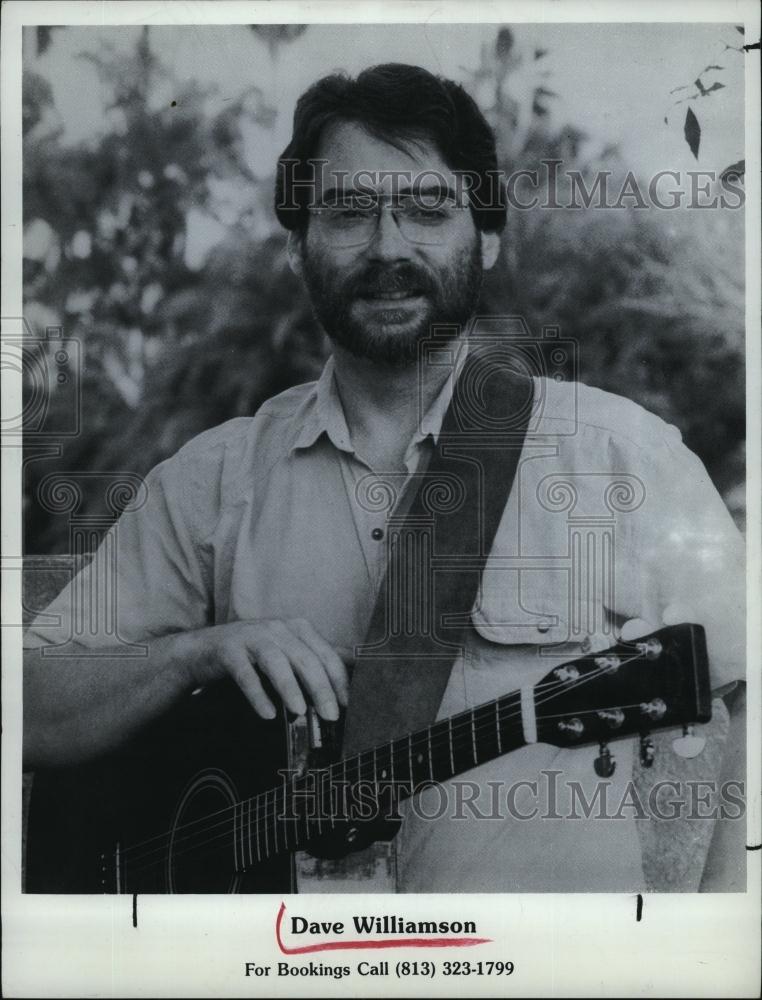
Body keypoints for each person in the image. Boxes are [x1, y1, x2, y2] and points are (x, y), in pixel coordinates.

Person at [23, 64, 745, 892]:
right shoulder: (210, 484)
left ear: (490, 236)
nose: (390, 246)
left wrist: (720, 932)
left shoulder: (622, 457)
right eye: (348, 214)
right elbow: (26, 707)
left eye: (428, 209)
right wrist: (196, 654)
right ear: (298, 248)